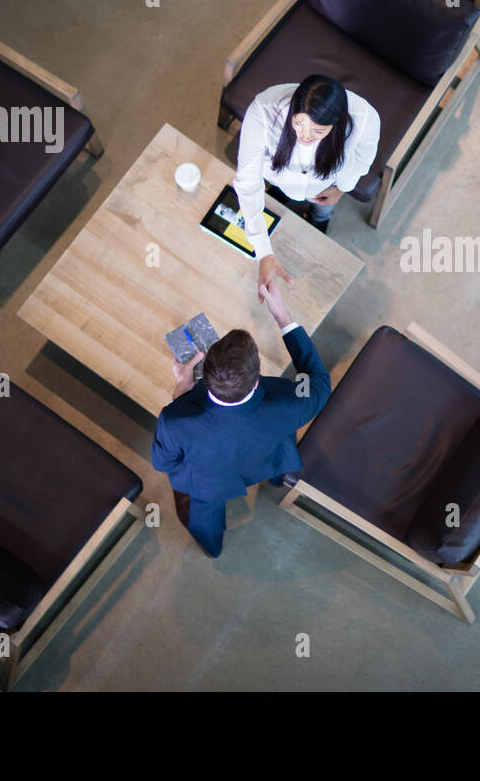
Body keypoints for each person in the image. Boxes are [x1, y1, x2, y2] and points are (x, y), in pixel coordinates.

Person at [151, 282, 329, 558]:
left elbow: (163, 463)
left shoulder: (174, 420)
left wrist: (181, 392)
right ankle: (276, 478)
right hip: (268, 456)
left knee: (204, 517)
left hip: (211, 482)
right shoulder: (291, 402)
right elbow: (319, 380)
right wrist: (282, 315)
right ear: (257, 380)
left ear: (204, 374)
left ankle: (211, 547)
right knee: (277, 448)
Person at [234, 74, 379, 291]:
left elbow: (363, 159)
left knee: (322, 211)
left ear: (336, 124)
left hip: (325, 184)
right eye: (299, 123)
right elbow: (247, 182)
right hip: (279, 177)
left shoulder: (365, 118)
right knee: (276, 200)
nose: (305, 135)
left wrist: (342, 188)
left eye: (318, 131)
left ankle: (318, 221)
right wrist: (263, 250)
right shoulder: (263, 111)